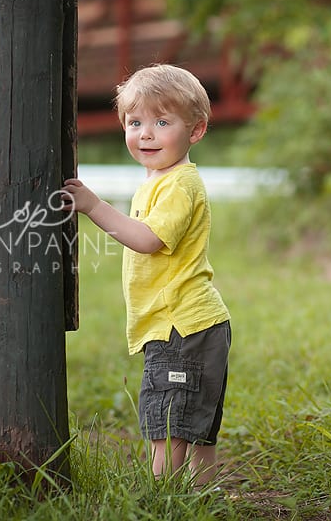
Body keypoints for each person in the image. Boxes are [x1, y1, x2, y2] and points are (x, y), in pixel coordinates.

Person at [61, 64, 231, 486]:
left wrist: (93, 207)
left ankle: (163, 501)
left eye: (162, 121)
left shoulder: (179, 185)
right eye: (135, 122)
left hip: (179, 326)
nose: (146, 134)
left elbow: (148, 239)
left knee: (168, 426)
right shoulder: (159, 181)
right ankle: (200, 498)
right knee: (195, 425)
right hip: (195, 325)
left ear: (196, 131)